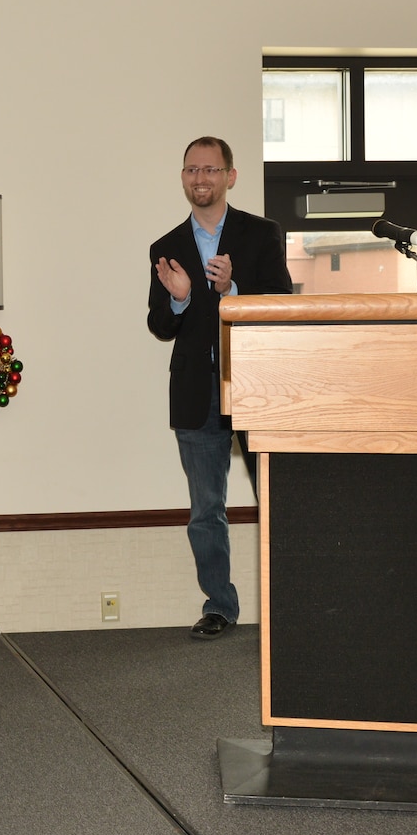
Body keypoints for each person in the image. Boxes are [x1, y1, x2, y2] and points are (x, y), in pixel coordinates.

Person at [145, 135, 294, 640]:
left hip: (257, 388)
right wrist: (182, 300)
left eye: (210, 170)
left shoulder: (262, 234)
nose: (200, 179)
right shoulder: (164, 248)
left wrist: (232, 290)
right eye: (191, 170)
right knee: (207, 509)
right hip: (195, 393)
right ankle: (220, 606)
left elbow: (281, 309)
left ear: (230, 176)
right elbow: (160, 326)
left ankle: (291, 605)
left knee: (280, 500)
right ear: (183, 177)